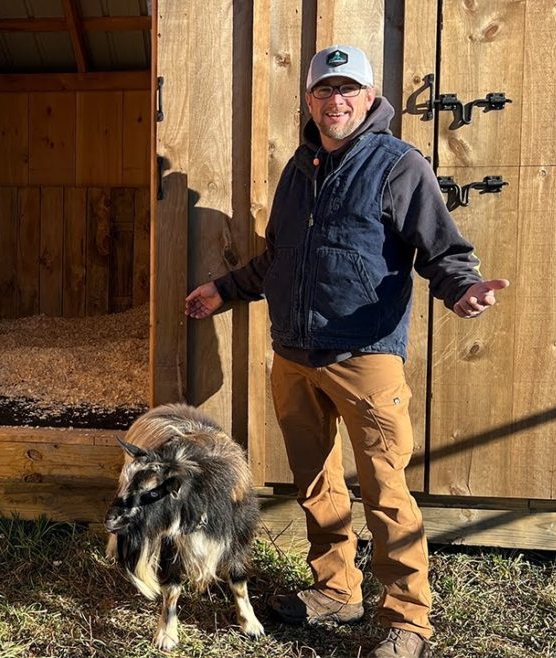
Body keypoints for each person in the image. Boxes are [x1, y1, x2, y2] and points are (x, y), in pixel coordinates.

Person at [185, 45, 508, 658]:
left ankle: (408, 619)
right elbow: (279, 259)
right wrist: (223, 291)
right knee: (316, 483)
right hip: (295, 356)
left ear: (369, 98)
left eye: (348, 89)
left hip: (365, 356)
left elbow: (442, 251)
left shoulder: (398, 165)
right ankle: (336, 590)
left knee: (386, 490)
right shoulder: (297, 169)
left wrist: (463, 289)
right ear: (310, 100)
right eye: (324, 90)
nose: (336, 100)